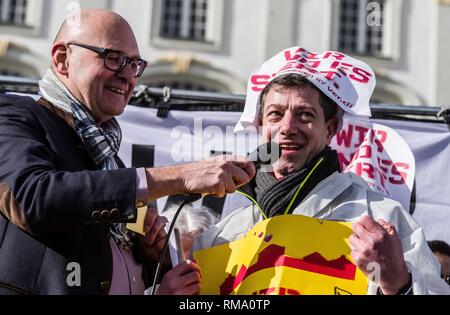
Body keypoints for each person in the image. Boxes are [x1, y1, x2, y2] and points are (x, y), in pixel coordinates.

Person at [0, 9, 254, 295]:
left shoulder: (111, 160)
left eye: (134, 64)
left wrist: (148, 254)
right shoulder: (16, 115)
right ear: (62, 59)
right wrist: (182, 176)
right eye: (113, 58)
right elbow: (31, 199)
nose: (127, 76)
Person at [193, 47, 450, 295]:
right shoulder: (224, 235)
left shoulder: (381, 217)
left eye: (304, 114)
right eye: (275, 114)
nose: (288, 127)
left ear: (330, 129)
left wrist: (398, 285)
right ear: (261, 125)